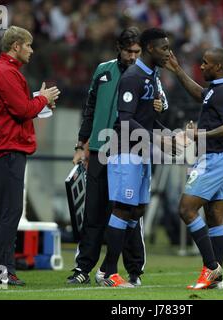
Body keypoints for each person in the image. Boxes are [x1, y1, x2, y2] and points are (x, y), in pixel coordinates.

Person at [67, 27, 166, 286]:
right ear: (118, 49)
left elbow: (161, 104)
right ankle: (82, 269)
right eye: (128, 51)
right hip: (101, 148)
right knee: (94, 212)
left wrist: (160, 105)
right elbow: (89, 108)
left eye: (137, 51)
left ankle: (133, 270)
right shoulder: (103, 71)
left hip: (129, 148)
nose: (133, 56)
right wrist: (81, 144)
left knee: (128, 211)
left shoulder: (148, 74)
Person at [0, 26, 60, 286]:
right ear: (16, 46)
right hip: (8, 148)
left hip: (4, 147)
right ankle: (3, 271)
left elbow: (18, 107)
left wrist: (39, 100)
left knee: (0, 212)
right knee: (9, 212)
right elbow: (21, 110)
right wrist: (42, 99)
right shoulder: (6, 73)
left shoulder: (6, 71)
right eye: (28, 45)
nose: (31, 50)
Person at [100, 28, 174, 287]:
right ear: (150, 49)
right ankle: (108, 272)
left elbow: (148, 120)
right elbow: (125, 119)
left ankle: (130, 269)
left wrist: (169, 136)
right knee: (122, 208)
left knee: (137, 210)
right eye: (164, 48)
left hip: (141, 152)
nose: (168, 53)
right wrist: (158, 138)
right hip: (124, 151)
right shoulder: (133, 77)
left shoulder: (152, 77)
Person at [165, 48, 223, 289]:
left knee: (187, 209)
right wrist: (177, 70)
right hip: (221, 158)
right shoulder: (217, 90)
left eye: (206, 63)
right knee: (214, 217)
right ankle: (217, 279)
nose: (202, 66)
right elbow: (200, 93)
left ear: (219, 67)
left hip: (215, 158)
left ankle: (211, 268)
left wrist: (199, 134)